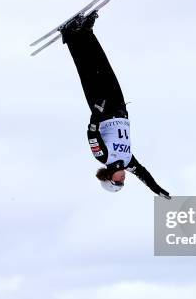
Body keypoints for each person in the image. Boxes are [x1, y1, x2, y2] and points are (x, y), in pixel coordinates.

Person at [59, 10, 171, 199]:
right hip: (119, 107)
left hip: (102, 109)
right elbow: (144, 176)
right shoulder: (128, 162)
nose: (123, 178)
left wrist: (96, 112)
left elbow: (92, 133)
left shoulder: (103, 156)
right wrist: (157, 189)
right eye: (123, 182)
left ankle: (71, 35)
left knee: (87, 70)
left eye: (119, 181)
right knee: (103, 66)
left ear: (109, 178)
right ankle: (86, 31)